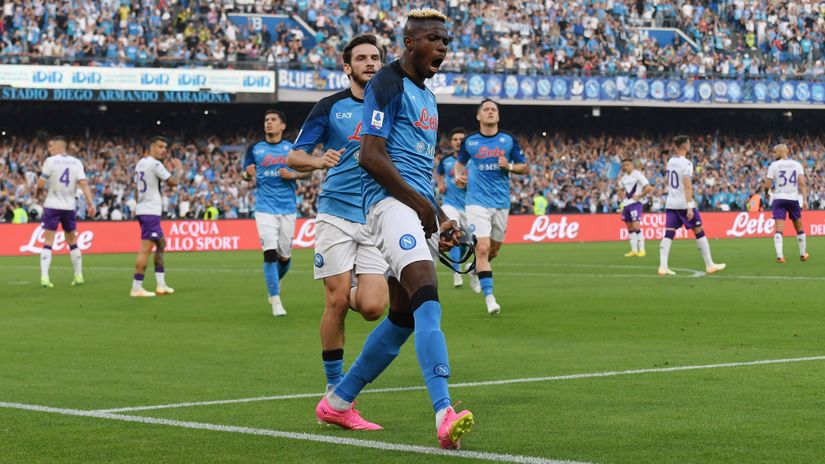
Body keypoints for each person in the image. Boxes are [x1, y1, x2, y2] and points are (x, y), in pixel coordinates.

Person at [315, 8, 475, 450]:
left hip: (413, 207)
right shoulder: (386, 82)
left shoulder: (429, 99)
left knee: (403, 318)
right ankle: (444, 411)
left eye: (446, 41)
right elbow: (370, 155)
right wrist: (423, 207)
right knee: (427, 292)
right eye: (433, 39)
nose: (442, 47)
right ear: (409, 42)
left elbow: (419, 173)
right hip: (387, 206)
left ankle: (338, 401)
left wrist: (439, 215)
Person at [287, 34, 390, 392]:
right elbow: (294, 156)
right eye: (361, 58)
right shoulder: (329, 106)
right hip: (336, 213)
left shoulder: (394, 106)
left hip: (376, 214)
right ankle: (334, 387)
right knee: (336, 301)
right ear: (347, 67)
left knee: (374, 307)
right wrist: (318, 161)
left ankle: (350, 286)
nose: (370, 63)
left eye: (375, 57)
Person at [454, 99, 528, 315]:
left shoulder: (508, 140)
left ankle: (476, 270)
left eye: (493, 109)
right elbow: (460, 163)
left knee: (493, 251)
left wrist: (510, 166)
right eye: (486, 109)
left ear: (498, 115)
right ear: (478, 116)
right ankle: (490, 298)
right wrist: (459, 176)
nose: (490, 112)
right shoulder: (470, 141)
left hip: (501, 203)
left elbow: (524, 167)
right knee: (482, 248)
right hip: (476, 202)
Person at [243, 110, 310, 317]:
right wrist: (247, 175)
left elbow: (308, 171)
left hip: (288, 208)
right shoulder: (255, 148)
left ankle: (274, 282)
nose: (268, 123)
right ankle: (275, 300)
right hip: (264, 208)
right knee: (270, 253)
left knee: (285, 258)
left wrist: (293, 175)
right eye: (266, 120)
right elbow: (245, 174)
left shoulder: (292, 148)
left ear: (282, 125)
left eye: (273, 120)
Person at [658, 136, 726, 276]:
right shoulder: (687, 164)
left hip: (671, 203)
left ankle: (663, 266)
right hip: (683, 203)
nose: (690, 145)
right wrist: (690, 206)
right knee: (698, 230)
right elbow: (688, 186)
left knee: (669, 233)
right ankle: (710, 265)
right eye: (688, 143)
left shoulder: (671, 161)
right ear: (685, 145)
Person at [35, 135, 96, 288]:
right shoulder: (76, 162)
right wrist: (90, 203)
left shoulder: (50, 161)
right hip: (69, 207)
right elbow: (84, 184)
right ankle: (78, 275)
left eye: (51, 146)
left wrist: (37, 194)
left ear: (58, 146)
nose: (49, 149)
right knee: (72, 241)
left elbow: (41, 183)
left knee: (48, 242)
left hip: (52, 205)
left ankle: (44, 277)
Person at [131, 136, 182, 297]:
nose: (163, 150)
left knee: (161, 243)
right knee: (145, 250)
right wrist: (179, 169)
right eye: (160, 147)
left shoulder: (140, 163)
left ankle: (161, 285)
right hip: (150, 212)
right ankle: (136, 287)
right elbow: (173, 182)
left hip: (144, 209)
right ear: (152, 148)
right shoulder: (155, 164)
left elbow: (136, 189)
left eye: (165, 147)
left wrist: (140, 204)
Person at [435, 126, 476, 289]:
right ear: (451, 143)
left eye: (461, 139)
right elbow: (439, 173)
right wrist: (440, 184)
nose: (458, 142)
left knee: (472, 243)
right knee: (452, 233)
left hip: (470, 206)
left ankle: (471, 270)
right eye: (455, 139)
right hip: (450, 204)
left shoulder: (473, 160)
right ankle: (456, 272)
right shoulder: (445, 161)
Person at [764, 143, 808, 263]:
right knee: (799, 227)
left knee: (779, 229)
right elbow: (802, 183)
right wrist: (804, 199)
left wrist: (766, 193)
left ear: (779, 152)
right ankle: (803, 254)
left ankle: (780, 256)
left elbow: (767, 185)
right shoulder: (797, 164)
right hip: (793, 199)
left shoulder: (773, 165)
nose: (774, 154)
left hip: (779, 199)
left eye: (774, 152)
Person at [618, 158, 653, 257]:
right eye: (624, 165)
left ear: (632, 165)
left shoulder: (638, 175)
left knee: (636, 226)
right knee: (629, 227)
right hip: (626, 204)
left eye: (627, 164)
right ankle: (634, 250)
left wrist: (639, 196)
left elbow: (648, 187)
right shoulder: (623, 178)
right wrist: (621, 200)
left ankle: (642, 249)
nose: (625, 167)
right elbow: (620, 190)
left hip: (636, 204)